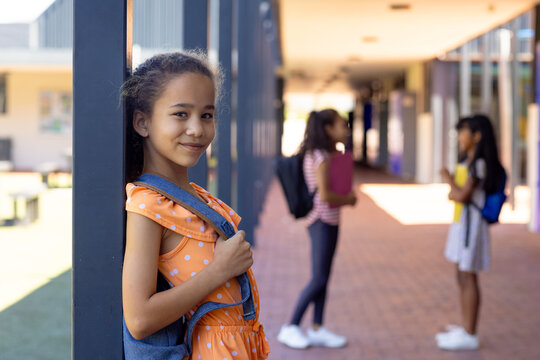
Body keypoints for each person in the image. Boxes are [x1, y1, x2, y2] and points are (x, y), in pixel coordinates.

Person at [121, 52, 270, 359]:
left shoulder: (194, 196)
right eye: (180, 114)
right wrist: (220, 270)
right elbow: (139, 319)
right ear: (142, 122)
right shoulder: (148, 205)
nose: (197, 129)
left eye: (206, 115)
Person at [277, 109, 357, 349]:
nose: (347, 130)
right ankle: (290, 327)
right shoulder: (322, 156)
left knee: (323, 277)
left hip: (328, 221)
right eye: (342, 125)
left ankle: (317, 328)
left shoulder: (323, 154)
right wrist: (350, 200)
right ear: (328, 130)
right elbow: (325, 194)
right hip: (322, 220)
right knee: (319, 277)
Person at [436, 114, 506, 350]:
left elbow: (461, 195)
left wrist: (448, 180)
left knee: (469, 275)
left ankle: (470, 332)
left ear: (477, 136)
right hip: (461, 225)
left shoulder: (479, 164)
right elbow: (459, 194)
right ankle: (465, 326)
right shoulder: (469, 162)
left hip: (471, 228)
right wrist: (454, 191)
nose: (460, 137)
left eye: (463, 132)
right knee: (461, 274)